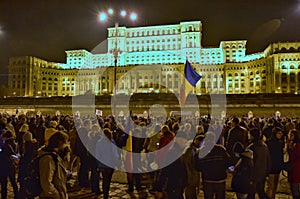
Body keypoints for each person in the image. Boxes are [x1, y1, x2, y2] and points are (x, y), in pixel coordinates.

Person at [196, 131, 232, 199]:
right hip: (220, 178)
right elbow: (228, 162)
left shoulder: (201, 151)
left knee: (208, 197)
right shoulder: (221, 149)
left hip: (208, 179)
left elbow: (197, 166)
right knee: (220, 196)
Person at [39, 131, 69, 199]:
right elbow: (46, 182)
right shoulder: (48, 159)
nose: (66, 145)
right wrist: (56, 194)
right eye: (65, 142)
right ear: (60, 142)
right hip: (50, 196)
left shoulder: (55, 155)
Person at [247, 128, 271, 199]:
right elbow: (268, 160)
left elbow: (248, 162)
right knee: (261, 191)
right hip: (262, 173)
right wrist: (267, 172)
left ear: (252, 136)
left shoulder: (252, 147)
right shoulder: (265, 146)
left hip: (253, 174)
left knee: (251, 193)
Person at [96, 128, 119, 199]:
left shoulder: (99, 142)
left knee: (104, 179)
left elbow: (97, 154)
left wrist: (98, 164)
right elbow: (115, 154)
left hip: (102, 164)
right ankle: (106, 194)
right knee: (108, 180)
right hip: (110, 164)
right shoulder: (112, 142)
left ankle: (105, 193)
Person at [183, 134, 204, 199]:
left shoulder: (194, 150)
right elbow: (187, 165)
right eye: (201, 143)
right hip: (190, 179)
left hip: (193, 178)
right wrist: (189, 178)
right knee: (190, 195)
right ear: (197, 141)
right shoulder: (189, 151)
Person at [18, 131, 39, 198]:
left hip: (26, 172)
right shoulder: (32, 146)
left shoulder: (28, 147)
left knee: (25, 189)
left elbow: (26, 161)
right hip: (28, 171)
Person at [266, 127, 284, 199]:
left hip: (277, 167)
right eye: (279, 133)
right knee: (270, 186)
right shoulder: (269, 143)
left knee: (274, 186)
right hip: (271, 167)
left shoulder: (280, 143)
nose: (281, 135)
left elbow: (281, 155)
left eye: (281, 133)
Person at [0, 130, 19, 199]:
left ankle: (4, 196)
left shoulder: (5, 145)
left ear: (5, 137)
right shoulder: (15, 143)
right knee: (13, 182)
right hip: (11, 165)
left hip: (4, 165)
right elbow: (16, 155)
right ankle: (17, 195)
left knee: (4, 183)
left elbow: (3, 155)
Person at [287, 129, 300, 199]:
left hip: (296, 168)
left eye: (291, 135)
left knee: (295, 188)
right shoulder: (291, 144)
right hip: (292, 168)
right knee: (292, 187)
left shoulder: (297, 145)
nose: (289, 136)